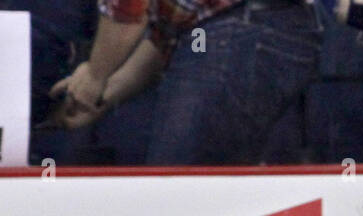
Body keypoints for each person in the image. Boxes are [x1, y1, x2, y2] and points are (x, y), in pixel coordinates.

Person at [50, 0, 322, 164]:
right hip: (248, 30)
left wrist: (96, 75)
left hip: (241, 29)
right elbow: (174, 33)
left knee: (179, 190)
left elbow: (128, 10)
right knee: (190, 186)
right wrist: (105, 93)